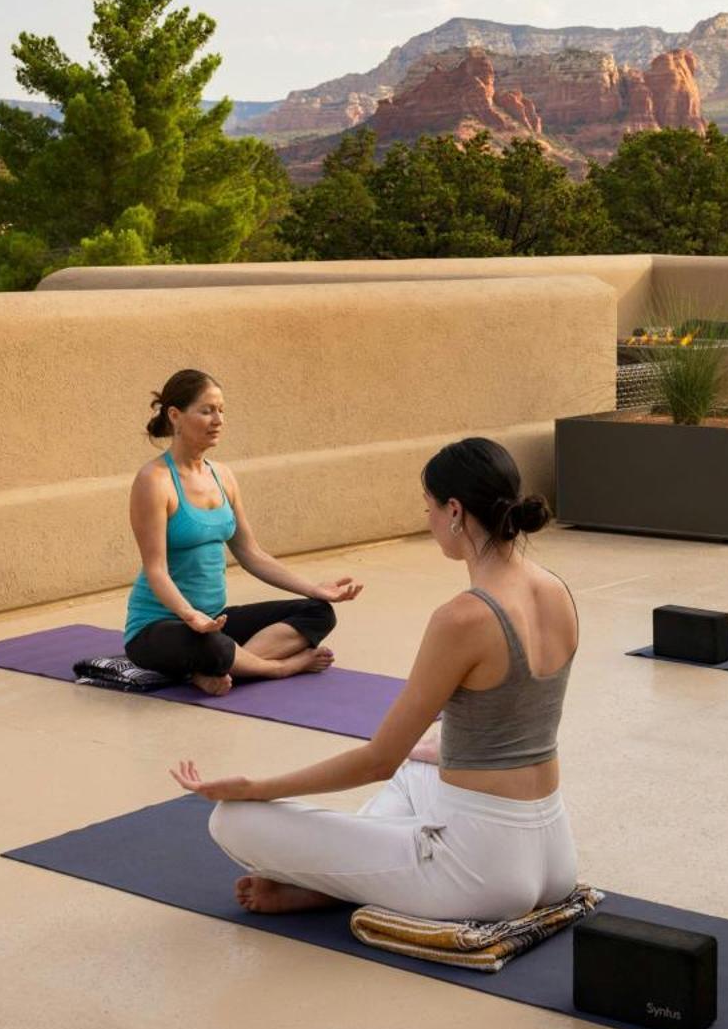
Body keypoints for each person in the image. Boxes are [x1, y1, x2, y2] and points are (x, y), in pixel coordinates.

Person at [170, 437, 579, 922]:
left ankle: (331, 884)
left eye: (427, 509)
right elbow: (513, 717)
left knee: (233, 820)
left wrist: (256, 786)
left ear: (454, 511)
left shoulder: (463, 619)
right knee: (419, 763)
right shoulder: (557, 591)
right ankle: (349, 878)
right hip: (554, 855)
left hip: (481, 875)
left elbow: (377, 760)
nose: (427, 523)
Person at [126, 369, 362, 697]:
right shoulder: (154, 480)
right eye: (206, 410)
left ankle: (217, 669)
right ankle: (276, 667)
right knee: (216, 647)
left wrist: (315, 589)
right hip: (160, 627)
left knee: (317, 613)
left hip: (213, 621)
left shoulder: (223, 476)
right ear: (175, 416)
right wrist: (190, 615)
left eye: (221, 410)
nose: (218, 419)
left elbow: (251, 553)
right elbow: (156, 570)